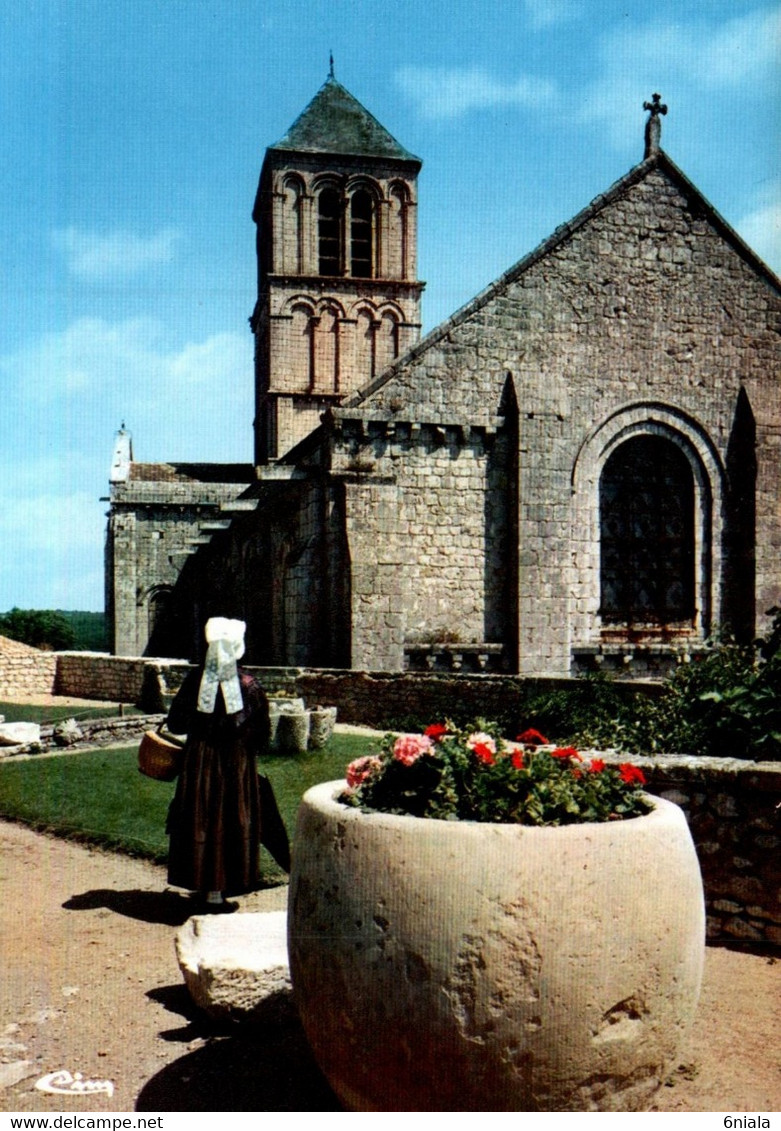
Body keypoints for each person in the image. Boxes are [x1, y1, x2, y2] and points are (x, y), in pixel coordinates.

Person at [165, 617, 290, 913]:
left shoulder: (196, 681)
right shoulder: (250, 685)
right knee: (230, 815)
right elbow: (262, 734)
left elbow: (176, 722)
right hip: (236, 764)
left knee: (203, 815)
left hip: (200, 762)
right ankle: (219, 890)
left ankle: (208, 888)